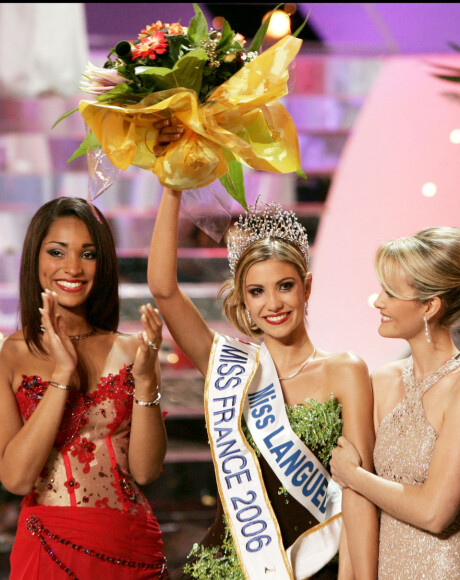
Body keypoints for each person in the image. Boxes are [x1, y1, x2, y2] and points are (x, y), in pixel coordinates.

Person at [147, 126, 378, 580]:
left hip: (313, 565)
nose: (273, 304)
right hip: (226, 566)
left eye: (285, 286)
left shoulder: (345, 370)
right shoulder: (232, 367)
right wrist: (171, 182)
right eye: (257, 291)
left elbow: (360, 492)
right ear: (244, 299)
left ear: (306, 287)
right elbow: (163, 288)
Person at [0, 196, 169, 579]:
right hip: (51, 547)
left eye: (88, 254)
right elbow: (16, 478)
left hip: (132, 547)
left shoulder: (132, 349)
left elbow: (144, 471)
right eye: (57, 252)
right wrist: (62, 374)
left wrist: (146, 382)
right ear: (35, 259)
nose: (73, 267)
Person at [330, 226, 460, 578]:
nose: (378, 301)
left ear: (430, 306)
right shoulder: (381, 381)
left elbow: (435, 511)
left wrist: (353, 475)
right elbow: (356, 507)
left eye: (390, 292)